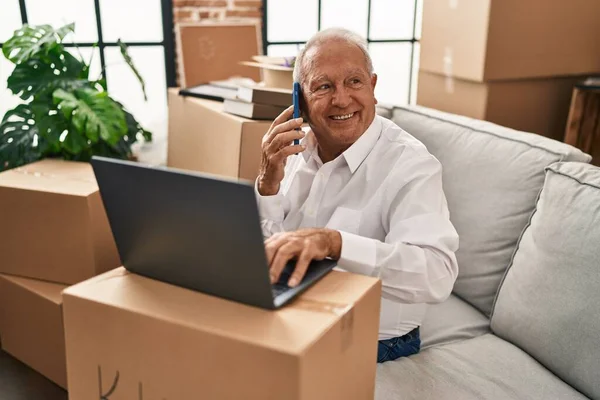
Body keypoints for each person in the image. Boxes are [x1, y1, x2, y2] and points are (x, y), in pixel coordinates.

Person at [255, 28, 459, 363]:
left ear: (373, 88)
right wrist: (267, 184)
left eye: (354, 82)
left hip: (373, 337)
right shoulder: (293, 151)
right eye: (323, 86)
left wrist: (334, 243)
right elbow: (269, 249)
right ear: (299, 99)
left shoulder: (412, 165)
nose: (341, 99)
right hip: (296, 312)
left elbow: (437, 275)